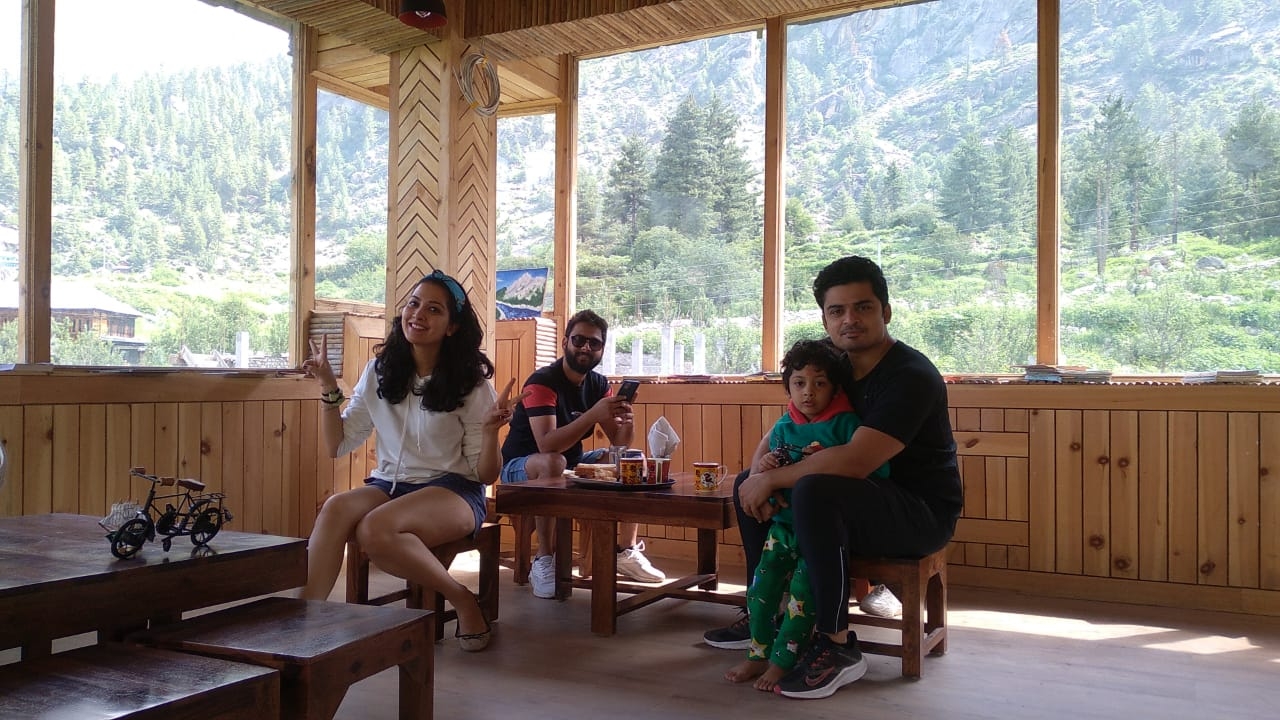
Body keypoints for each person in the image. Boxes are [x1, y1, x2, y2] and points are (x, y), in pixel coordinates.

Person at [705, 255, 963, 699]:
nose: (850, 320)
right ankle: (766, 613)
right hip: (854, 500)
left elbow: (856, 461)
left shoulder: (910, 376)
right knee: (751, 481)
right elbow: (782, 427)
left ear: (886, 311)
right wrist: (760, 474)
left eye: (863, 307)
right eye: (837, 310)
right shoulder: (832, 364)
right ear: (825, 318)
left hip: (918, 512)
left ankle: (837, 643)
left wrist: (775, 480)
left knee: (813, 489)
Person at [300, 269, 520, 653]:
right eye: (413, 304)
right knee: (336, 508)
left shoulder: (472, 385)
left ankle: (461, 598)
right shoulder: (379, 372)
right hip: (390, 483)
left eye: (434, 309)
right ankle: (304, 620)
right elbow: (338, 444)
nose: (418, 314)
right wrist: (328, 387)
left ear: (452, 326)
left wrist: (490, 433)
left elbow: (485, 475)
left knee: (375, 529)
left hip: (455, 488)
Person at [724, 339, 889, 692]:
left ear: (835, 388)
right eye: (799, 383)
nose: (808, 392)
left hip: (818, 535)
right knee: (760, 591)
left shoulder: (846, 424)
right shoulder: (786, 423)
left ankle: (782, 663)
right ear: (788, 388)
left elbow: (873, 470)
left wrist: (826, 462)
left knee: (802, 599)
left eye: (819, 383)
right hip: (781, 530)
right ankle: (757, 654)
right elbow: (770, 462)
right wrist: (766, 467)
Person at [500, 309, 666, 599]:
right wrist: (592, 415)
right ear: (565, 342)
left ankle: (625, 551)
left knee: (631, 459)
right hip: (519, 466)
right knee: (553, 462)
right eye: (579, 340)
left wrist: (627, 421)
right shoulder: (542, 382)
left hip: (569, 461)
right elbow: (547, 445)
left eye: (594, 343)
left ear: (602, 349)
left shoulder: (599, 384)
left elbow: (619, 444)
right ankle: (544, 558)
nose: (586, 347)